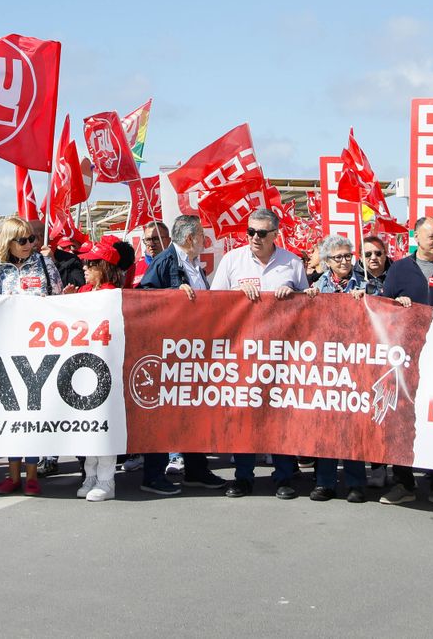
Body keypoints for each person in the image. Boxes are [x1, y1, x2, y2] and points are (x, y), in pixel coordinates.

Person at [212, 207, 309, 500]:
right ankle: (243, 477)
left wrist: (292, 296)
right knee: (245, 414)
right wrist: (237, 299)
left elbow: (311, 303)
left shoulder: (292, 263)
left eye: (261, 233)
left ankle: (283, 476)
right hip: (243, 351)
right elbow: (214, 303)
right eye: (250, 231)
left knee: (279, 414)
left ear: (275, 235)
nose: (255, 237)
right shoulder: (232, 261)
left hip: (282, 353)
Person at [379, 216, 433, 506]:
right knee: (402, 418)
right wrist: (397, 305)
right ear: (416, 237)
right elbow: (383, 308)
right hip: (406, 356)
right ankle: (403, 482)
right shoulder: (399, 270)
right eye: (431, 237)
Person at [137, 214, 227, 494]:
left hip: (191, 349)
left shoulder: (192, 263)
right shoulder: (166, 261)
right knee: (163, 415)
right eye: (201, 235)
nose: (204, 240)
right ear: (190, 239)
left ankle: (196, 469)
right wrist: (173, 296)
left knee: (192, 412)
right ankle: (153, 474)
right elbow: (144, 298)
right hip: (168, 351)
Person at [0, 215, 60, 495]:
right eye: (23, 240)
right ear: (8, 242)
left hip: (38, 348)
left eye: (31, 238)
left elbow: (58, 299)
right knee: (10, 412)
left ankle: (32, 473)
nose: (30, 244)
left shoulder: (44, 264)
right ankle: (12, 473)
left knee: (32, 412)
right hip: (6, 349)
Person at [308, 234, 371, 503]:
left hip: (357, 364)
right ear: (327, 261)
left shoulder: (367, 285)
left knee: (354, 425)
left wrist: (368, 300)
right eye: (338, 257)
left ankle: (356, 482)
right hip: (326, 365)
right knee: (326, 425)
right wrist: (307, 300)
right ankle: (325, 482)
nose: (344, 261)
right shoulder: (317, 287)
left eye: (348, 256)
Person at [71, 237, 127, 501]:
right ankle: (90, 475)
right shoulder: (83, 293)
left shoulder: (113, 293)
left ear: (104, 267)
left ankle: (107, 480)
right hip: (82, 367)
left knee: (104, 425)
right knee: (86, 426)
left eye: (91, 263)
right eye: (84, 262)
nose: (84, 267)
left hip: (107, 367)